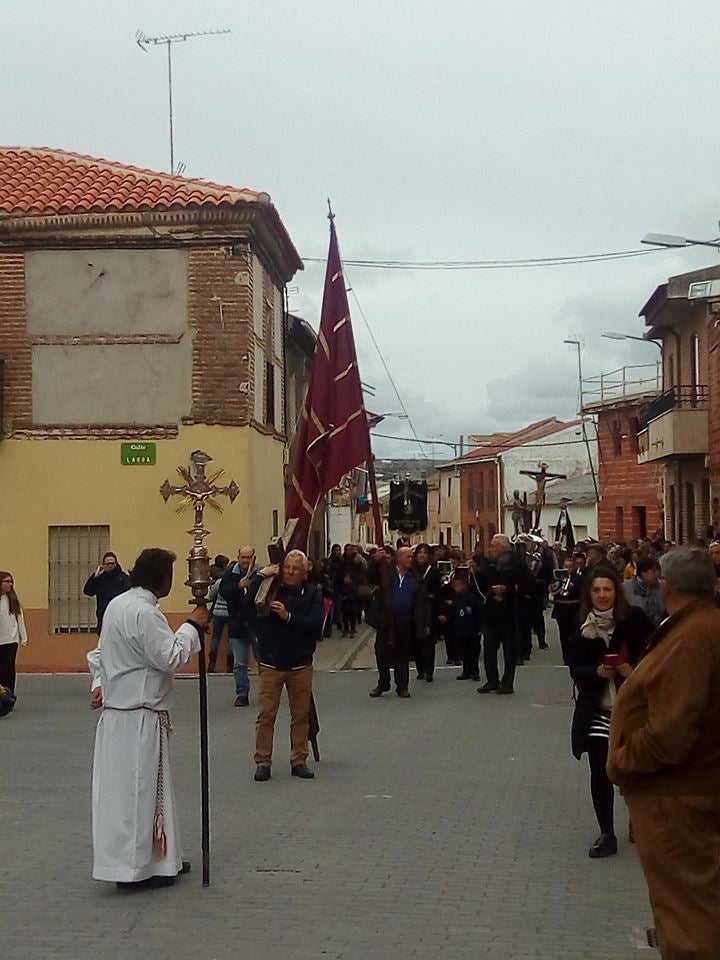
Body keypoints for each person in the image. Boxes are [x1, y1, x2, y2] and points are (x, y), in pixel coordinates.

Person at [608, 546, 720, 959]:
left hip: (676, 799)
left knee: (688, 915)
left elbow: (671, 732)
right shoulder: (697, 627)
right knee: (690, 906)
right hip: (683, 792)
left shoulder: (691, 639)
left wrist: (623, 761)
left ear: (669, 587)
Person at [87, 548, 208, 889]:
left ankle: (159, 859)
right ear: (162, 579)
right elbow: (169, 656)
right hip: (137, 717)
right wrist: (191, 627)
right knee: (137, 794)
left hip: (122, 717)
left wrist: (100, 683)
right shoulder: (144, 613)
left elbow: (100, 655)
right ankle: (133, 869)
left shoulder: (117, 606)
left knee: (138, 793)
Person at [568, 564, 654, 859]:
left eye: (607, 589)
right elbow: (574, 667)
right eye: (596, 590)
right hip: (598, 709)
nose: (602, 595)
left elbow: (658, 654)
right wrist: (597, 671)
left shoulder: (634, 620)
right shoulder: (581, 628)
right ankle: (606, 833)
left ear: (616, 592)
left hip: (632, 710)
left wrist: (633, 670)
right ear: (588, 595)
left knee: (633, 770)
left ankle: (638, 821)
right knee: (600, 771)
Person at [246, 550, 323, 781]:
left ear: (304, 572)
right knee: (266, 715)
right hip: (271, 662)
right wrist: (259, 576)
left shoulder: (312, 593)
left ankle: (299, 760)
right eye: (287, 567)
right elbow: (248, 605)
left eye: (295, 569)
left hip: (300, 664)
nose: (290, 572)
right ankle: (263, 761)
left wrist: (288, 617)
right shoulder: (271, 586)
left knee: (300, 715)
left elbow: (315, 623)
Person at [367, 545, 427, 698]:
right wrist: (375, 561)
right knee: (381, 652)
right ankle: (383, 683)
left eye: (411, 557)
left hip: (405, 620)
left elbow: (421, 602)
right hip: (386, 619)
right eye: (407, 556)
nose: (411, 559)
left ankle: (402, 686)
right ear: (398, 558)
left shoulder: (415, 577)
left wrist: (422, 624)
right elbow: (371, 577)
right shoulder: (387, 573)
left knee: (403, 654)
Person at [476, 535, 528, 695]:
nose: (491, 549)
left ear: (504, 547)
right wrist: (475, 572)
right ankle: (492, 680)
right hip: (491, 612)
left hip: (510, 611)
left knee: (509, 651)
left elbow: (526, 586)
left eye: (494, 546)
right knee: (489, 649)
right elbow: (482, 584)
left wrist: (508, 590)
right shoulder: (490, 564)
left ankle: (507, 683)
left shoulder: (517, 564)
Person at [219, 546, 259, 707]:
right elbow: (223, 592)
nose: (246, 561)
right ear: (238, 557)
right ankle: (242, 694)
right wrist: (238, 586)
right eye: (243, 557)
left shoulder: (259, 573)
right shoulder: (231, 574)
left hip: (257, 624)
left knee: (263, 660)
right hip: (237, 624)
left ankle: (268, 692)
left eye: (249, 557)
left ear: (253, 558)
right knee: (239, 663)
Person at [412, 543, 443, 682]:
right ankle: (420, 669)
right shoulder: (411, 571)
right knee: (416, 641)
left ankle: (429, 670)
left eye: (425, 553)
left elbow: (439, 592)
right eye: (420, 552)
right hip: (414, 608)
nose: (422, 555)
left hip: (430, 608)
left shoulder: (434, 571)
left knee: (429, 640)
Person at [449, 569, 483, 681]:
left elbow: (478, 613)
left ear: (464, 585)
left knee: (473, 651)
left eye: (458, 585)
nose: (456, 588)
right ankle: (466, 670)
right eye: (454, 586)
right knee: (463, 652)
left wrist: (479, 628)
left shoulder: (472, 598)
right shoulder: (456, 599)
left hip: (472, 630)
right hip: (460, 630)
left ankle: (475, 671)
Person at [83, 552, 130, 634]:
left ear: (116, 564)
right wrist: (95, 576)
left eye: (112, 563)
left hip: (119, 616)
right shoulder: (99, 578)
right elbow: (88, 591)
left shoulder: (123, 578)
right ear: (103, 565)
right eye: (107, 563)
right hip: (103, 616)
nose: (110, 565)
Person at [0, 571, 28, 707]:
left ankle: (9, 694)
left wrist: (23, 637)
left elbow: (19, 618)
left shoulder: (12, 600)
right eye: (7, 581)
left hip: (10, 640)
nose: (10, 584)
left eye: (11, 582)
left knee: (8, 668)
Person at [622, 557, 664, 626]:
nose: (658, 574)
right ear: (644, 573)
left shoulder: (660, 586)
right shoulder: (625, 589)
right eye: (654, 571)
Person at [207, 554, 231, 673]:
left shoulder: (219, 582)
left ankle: (211, 664)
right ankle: (230, 666)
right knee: (231, 639)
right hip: (231, 613)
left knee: (216, 638)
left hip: (218, 613)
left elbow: (211, 596)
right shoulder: (234, 581)